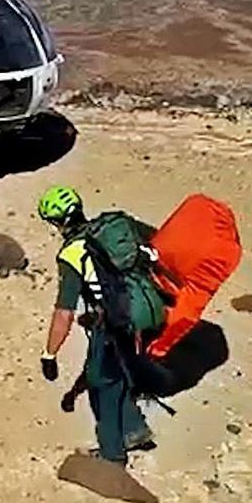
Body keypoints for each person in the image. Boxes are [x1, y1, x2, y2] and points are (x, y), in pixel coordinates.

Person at [37, 186, 158, 467]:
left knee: (101, 382)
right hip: (147, 308)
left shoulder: (71, 254)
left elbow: (64, 312)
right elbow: (158, 240)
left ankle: (111, 455)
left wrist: (49, 354)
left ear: (56, 222)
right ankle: (134, 430)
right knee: (121, 370)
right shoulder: (117, 224)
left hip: (114, 323)